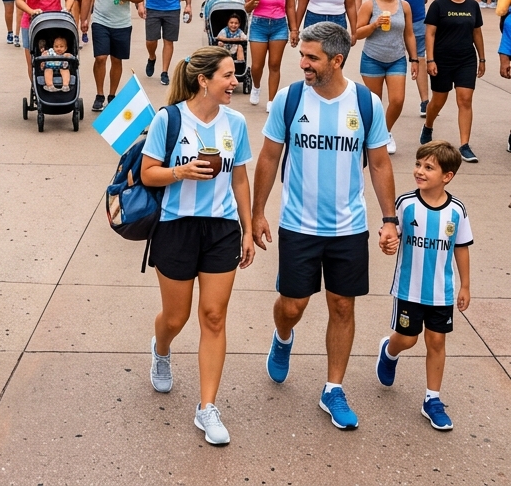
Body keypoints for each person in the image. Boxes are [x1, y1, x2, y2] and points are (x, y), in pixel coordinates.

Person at [252, 22, 397, 431]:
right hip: (298, 225)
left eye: (312, 58)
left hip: (349, 227)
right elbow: (268, 157)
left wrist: (389, 219)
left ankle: (333, 389)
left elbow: (380, 164)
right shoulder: (289, 99)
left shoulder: (366, 103)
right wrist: (257, 213)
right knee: (292, 307)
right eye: (302, 55)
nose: (303, 64)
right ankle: (283, 338)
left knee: (342, 305)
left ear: (337, 60)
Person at [140, 48, 255, 446]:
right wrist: (180, 171)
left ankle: (207, 408)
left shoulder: (236, 123)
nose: (235, 82)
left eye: (235, 75)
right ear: (203, 80)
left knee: (214, 317)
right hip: (176, 227)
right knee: (176, 317)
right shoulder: (169, 119)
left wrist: (247, 228)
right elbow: (148, 174)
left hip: (222, 228)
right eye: (228, 76)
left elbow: (239, 178)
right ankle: (161, 348)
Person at [375, 141, 472, 431]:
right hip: (409, 289)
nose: (419, 171)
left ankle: (432, 399)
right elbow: (390, 232)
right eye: (418, 164)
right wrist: (387, 242)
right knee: (408, 339)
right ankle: (389, 351)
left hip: (441, 292)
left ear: (447, 176)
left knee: (437, 342)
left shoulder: (457, 211)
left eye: (429, 167)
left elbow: (461, 247)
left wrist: (465, 286)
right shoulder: (405, 204)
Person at [421, 0, 484, 164]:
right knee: (438, 100)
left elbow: (477, 33)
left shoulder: (473, 5)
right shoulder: (438, 5)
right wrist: (430, 60)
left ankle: (464, 145)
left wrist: (482, 59)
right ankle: (428, 126)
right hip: (442, 60)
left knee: (465, 100)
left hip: (466, 60)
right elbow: (430, 34)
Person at [354, 0, 418, 155]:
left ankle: (385, 133)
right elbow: (357, 33)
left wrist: (414, 59)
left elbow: (409, 34)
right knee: (375, 103)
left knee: (397, 100)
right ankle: (372, 135)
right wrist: (374, 24)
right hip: (372, 58)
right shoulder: (369, 5)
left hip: (397, 59)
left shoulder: (404, 6)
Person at [80, 0, 145, 112]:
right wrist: (84, 20)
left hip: (122, 23)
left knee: (117, 60)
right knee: (100, 58)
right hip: (100, 21)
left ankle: (112, 95)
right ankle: (99, 95)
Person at [244, 0, 298, 110]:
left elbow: (290, 8)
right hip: (258, 25)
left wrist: (294, 30)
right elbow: (247, 8)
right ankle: (256, 86)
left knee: (274, 64)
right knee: (257, 66)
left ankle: (271, 100)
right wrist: (254, 1)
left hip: (279, 26)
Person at [388, 0, 431, 119]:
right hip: (397, 20)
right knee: (393, 58)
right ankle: (392, 99)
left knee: (420, 58)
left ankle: (425, 101)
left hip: (418, 19)